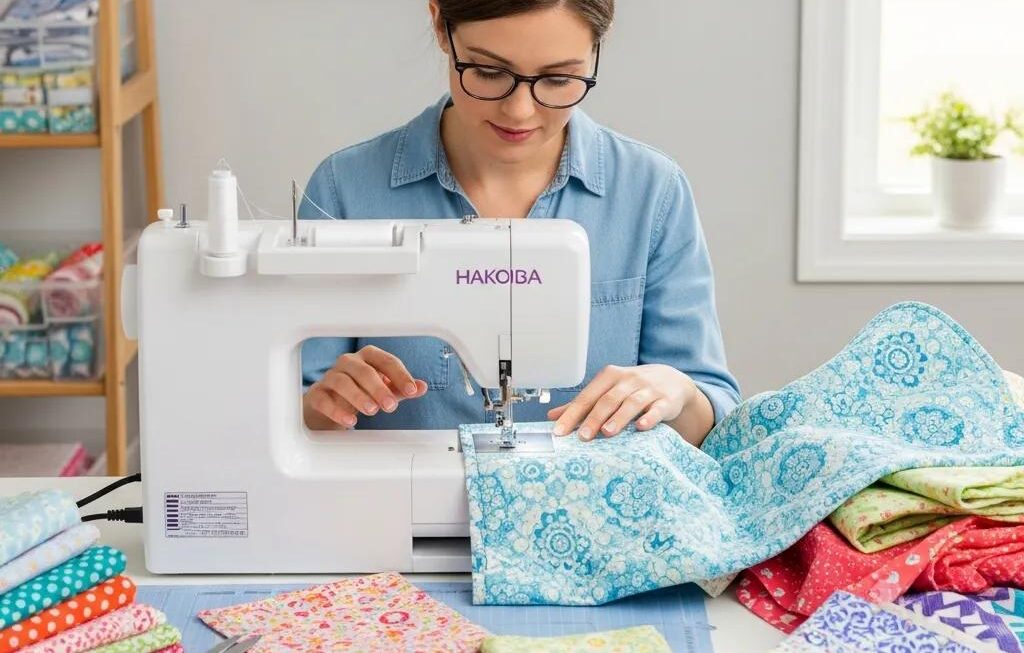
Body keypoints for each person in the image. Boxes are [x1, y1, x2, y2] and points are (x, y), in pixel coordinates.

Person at [300, 0, 740, 447]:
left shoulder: (651, 193)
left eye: (557, 79)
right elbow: (287, 411)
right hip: (389, 511)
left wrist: (679, 393)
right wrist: (324, 405)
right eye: (489, 73)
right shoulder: (345, 191)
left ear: (595, 50)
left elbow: (712, 417)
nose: (520, 111)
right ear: (439, 22)